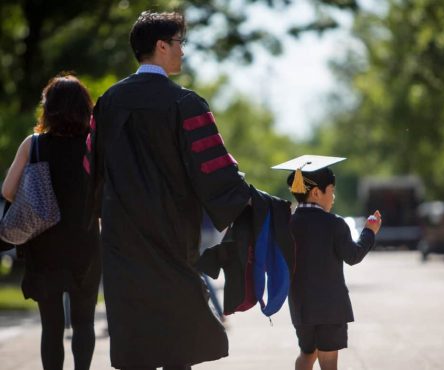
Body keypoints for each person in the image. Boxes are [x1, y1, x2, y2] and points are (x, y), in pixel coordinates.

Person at [83, 11, 251, 370]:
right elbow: (215, 170)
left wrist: (99, 215)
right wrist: (252, 202)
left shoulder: (108, 102)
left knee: (135, 334)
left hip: (122, 239)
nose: (183, 52)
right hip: (172, 236)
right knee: (179, 337)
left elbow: (90, 170)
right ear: (161, 46)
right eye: (179, 43)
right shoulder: (185, 103)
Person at [2, 74, 101, 370]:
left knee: (52, 326)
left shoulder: (33, 145)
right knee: (84, 323)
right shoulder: (93, 145)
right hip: (86, 247)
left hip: (45, 248)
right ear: (86, 108)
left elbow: (7, 191)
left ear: (49, 108)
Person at [273, 155, 382, 370]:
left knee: (306, 354)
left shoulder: (287, 224)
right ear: (316, 193)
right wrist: (369, 232)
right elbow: (353, 255)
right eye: (331, 191)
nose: (333, 197)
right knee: (328, 361)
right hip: (330, 308)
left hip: (300, 306)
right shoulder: (334, 224)